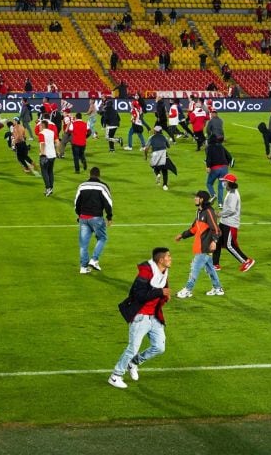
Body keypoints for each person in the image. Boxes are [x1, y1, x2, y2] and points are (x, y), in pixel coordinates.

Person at [108, 247, 171, 390]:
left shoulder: (163, 272)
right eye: (168, 256)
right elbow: (139, 295)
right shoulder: (145, 274)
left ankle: (134, 362)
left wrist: (164, 295)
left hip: (154, 317)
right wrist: (160, 292)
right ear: (161, 260)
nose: (170, 258)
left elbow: (161, 289)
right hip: (140, 317)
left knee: (159, 347)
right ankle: (115, 376)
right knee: (132, 348)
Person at [173, 190, 224, 299]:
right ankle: (217, 288)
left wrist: (214, 242)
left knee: (194, 268)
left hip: (205, 247)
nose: (195, 199)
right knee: (210, 268)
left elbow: (217, 230)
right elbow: (194, 229)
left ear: (202, 200)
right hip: (201, 245)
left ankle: (188, 289)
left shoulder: (209, 212)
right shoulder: (199, 212)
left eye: (197, 197)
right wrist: (182, 235)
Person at [74, 167, 113, 274]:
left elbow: (76, 202)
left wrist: (79, 215)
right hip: (96, 218)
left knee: (83, 244)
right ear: (99, 175)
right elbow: (108, 203)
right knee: (102, 238)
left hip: (83, 218)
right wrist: (109, 217)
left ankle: (83, 267)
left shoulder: (82, 186)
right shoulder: (103, 186)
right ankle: (94, 259)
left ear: (89, 175)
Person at [213, 173, 254, 272]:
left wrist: (220, 214)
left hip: (230, 224)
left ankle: (246, 261)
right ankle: (215, 264)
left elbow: (231, 210)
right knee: (217, 242)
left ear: (229, 183)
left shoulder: (233, 195)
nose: (223, 183)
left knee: (229, 245)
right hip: (224, 222)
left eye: (225, 181)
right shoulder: (231, 192)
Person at [204, 136, 232, 206]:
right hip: (224, 168)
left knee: (209, 183)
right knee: (221, 186)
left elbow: (209, 158)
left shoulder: (209, 147)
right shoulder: (221, 146)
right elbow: (229, 156)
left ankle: (213, 195)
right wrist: (227, 164)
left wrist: (208, 167)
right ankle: (220, 204)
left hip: (215, 168)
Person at [144, 125, 172, 190]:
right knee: (165, 170)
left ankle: (158, 174)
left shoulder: (151, 137)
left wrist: (145, 156)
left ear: (155, 131)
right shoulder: (164, 137)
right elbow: (168, 146)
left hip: (155, 154)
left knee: (153, 166)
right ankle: (165, 185)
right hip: (164, 154)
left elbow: (146, 149)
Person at [37, 118, 57, 196]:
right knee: (50, 171)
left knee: (44, 172)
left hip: (45, 155)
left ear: (42, 126)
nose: (39, 127)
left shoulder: (41, 133)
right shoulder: (52, 132)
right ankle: (50, 188)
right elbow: (57, 142)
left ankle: (48, 188)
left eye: (39, 125)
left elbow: (42, 144)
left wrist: (42, 154)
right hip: (53, 155)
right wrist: (57, 151)